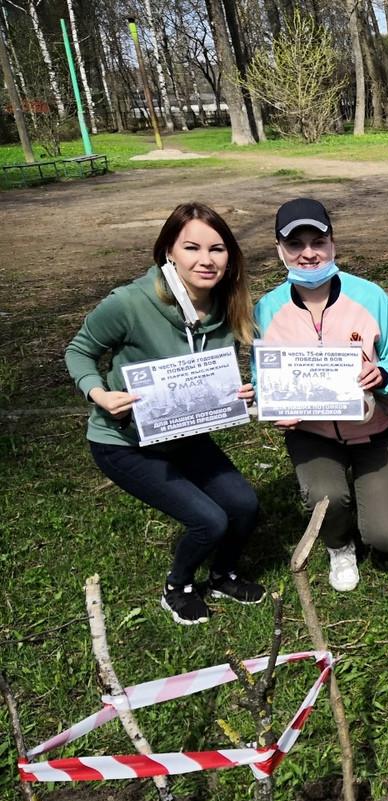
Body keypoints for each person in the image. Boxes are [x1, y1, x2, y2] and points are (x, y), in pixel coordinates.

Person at [65, 202, 263, 626]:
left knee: (244, 506)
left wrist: (237, 394)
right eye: (192, 247)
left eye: (218, 249)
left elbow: (211, 376)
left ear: (231, 257)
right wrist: (97, 392)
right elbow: (79, 350)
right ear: (169, 251)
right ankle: (178, 586)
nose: (206, 260)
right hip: (126, 444)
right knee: (209, 520)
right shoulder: (130, 303)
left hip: (185, 436)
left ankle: (224, 574)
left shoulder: (228, 306)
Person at [255, 198, 388, 592]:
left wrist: (386, 373)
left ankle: (370, 520)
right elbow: (263, 376)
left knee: (387, 538)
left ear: (332, 243)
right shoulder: (267, 309)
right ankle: (339, 545)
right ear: (280, 249)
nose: (308, 253)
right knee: (327, 498)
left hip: (376, 428)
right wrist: (274, 405)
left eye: (317, 241)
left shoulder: (370, 296)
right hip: (313, 433)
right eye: (296, 244)